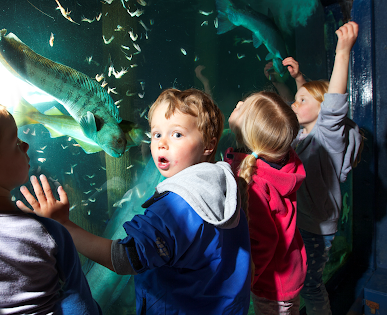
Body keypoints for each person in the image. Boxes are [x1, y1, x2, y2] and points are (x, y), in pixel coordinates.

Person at [17, 89, 252, 315]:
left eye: (177, 134)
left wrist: (65, 226)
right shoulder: (223, 186)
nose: (161, 143)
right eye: (157, 134)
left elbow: (125, 257)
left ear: (209, 145)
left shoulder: (173, 210)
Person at [285, 21, 362, 315]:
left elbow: (331, 107)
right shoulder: (303, 136)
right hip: (302, 221)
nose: (294, 103)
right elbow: (309, 104)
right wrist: (299, 79)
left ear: (323, 109)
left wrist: (342, 52)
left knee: (311, 285)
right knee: (299, 280)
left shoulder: (328, 137)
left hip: (317, 229)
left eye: (301, 100)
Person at [0, 105, 102, 314]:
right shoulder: (48, 233)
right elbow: (81, 307)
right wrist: (58, 225)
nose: (26, 145)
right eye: (16, 143)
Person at [224, 91, 307, 314]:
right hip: (289, 270)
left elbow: (263, 241)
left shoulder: (255, 184)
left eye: (243, 108)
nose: (239, 103)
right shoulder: (283, 158)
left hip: (272, 283)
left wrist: (245, 281)